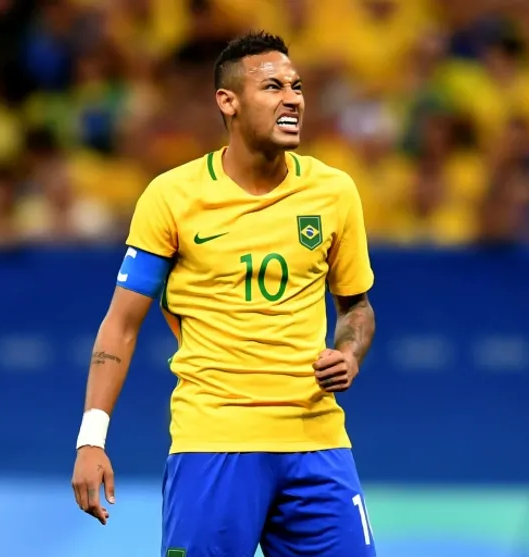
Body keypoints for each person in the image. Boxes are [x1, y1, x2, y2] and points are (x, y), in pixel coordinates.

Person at [71, 31, 377, 557]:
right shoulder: (173, 197)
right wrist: (91, 440)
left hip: (318, 442)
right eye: (273, 87)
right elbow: (120, 325)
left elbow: (356, 308)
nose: (292, 99)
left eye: (297, 87)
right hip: (213, 444)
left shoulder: (334, 192)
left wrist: (349, 352)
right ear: (228, 101)